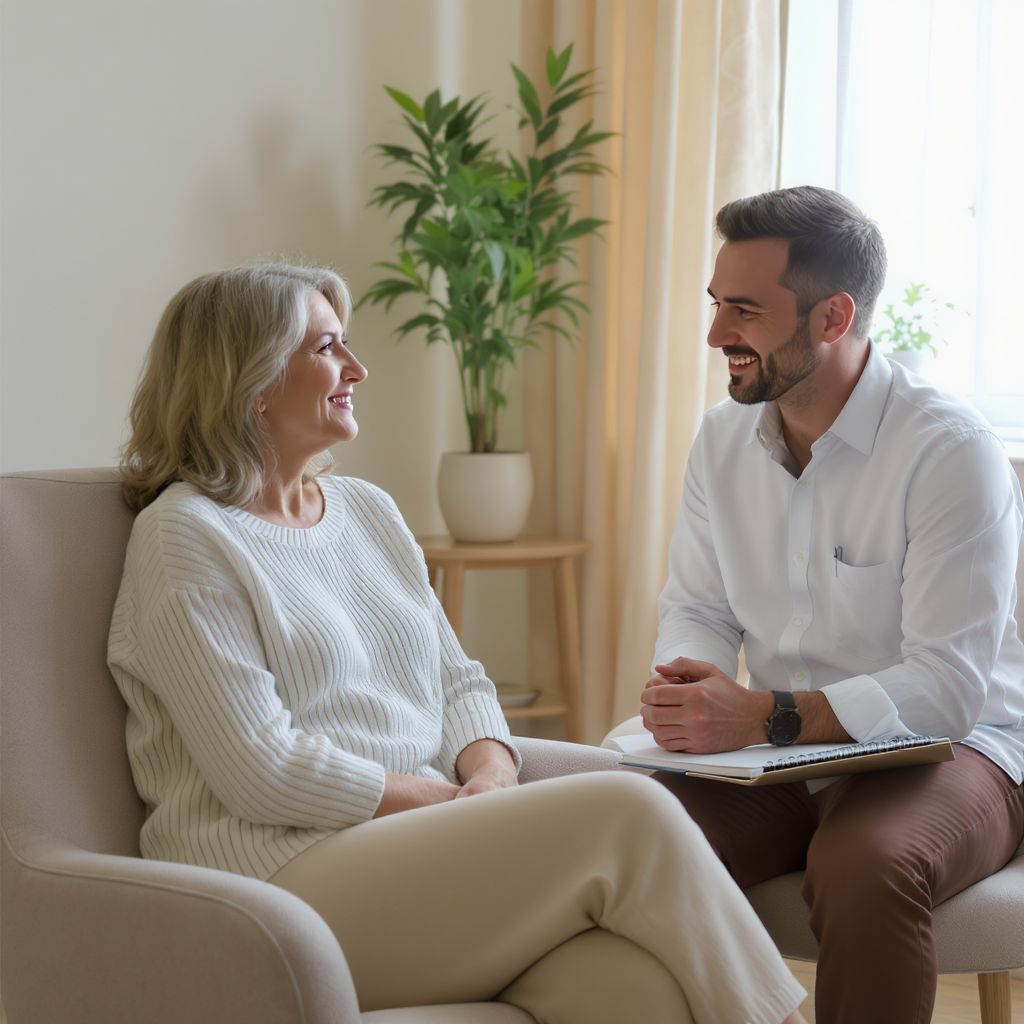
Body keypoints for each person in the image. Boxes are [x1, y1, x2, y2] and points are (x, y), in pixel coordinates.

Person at [108, 262, 807, 1024]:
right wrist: (451, 802)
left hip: (417, 851)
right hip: (276, 884)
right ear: (250, 381)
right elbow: (263, 772)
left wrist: (492, 779)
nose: (357, 369)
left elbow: (461, 683)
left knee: (631, 990)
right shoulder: (185, 537)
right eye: (326, 349)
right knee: (628, 810)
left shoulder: (366, 510)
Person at [642, 186, 1024, 1024]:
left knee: (864, 868)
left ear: (832, 316)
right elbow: (699, 603)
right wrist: (690, 684)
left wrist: (763, 716)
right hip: (782, 753)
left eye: (743, 310)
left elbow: (947, 690)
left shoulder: (949, 454)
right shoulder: (720, 442)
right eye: (715, 305)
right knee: (633, 833)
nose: (716, 336)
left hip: (955, 751)